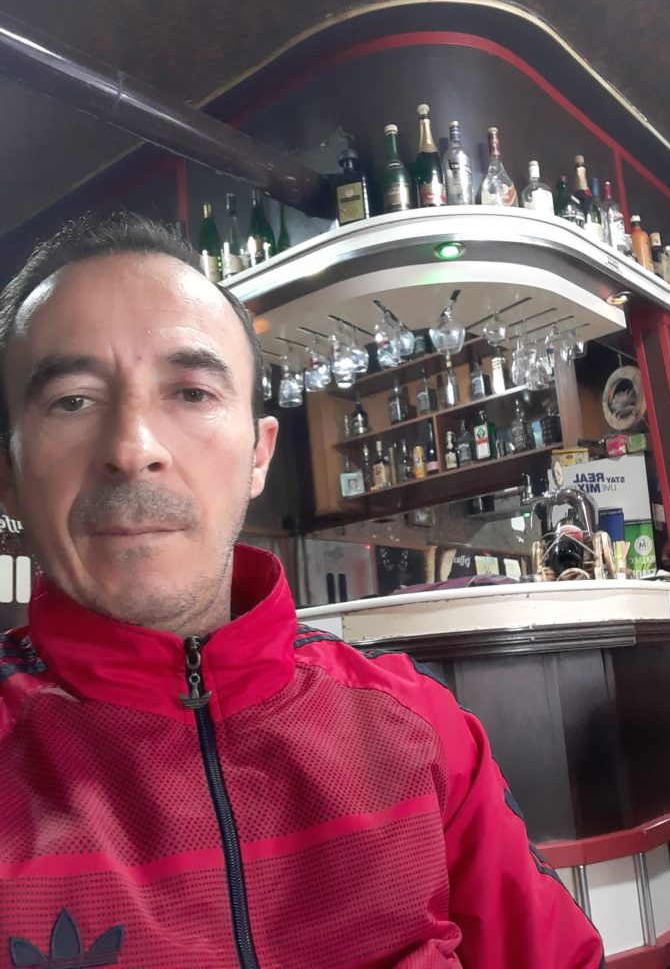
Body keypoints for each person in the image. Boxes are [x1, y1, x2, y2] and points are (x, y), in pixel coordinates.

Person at [0, 212, 604, 969]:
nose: (133, 448)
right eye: (73, 400)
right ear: (8, 474)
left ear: (258, 456)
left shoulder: (420, 728)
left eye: (191, 393)